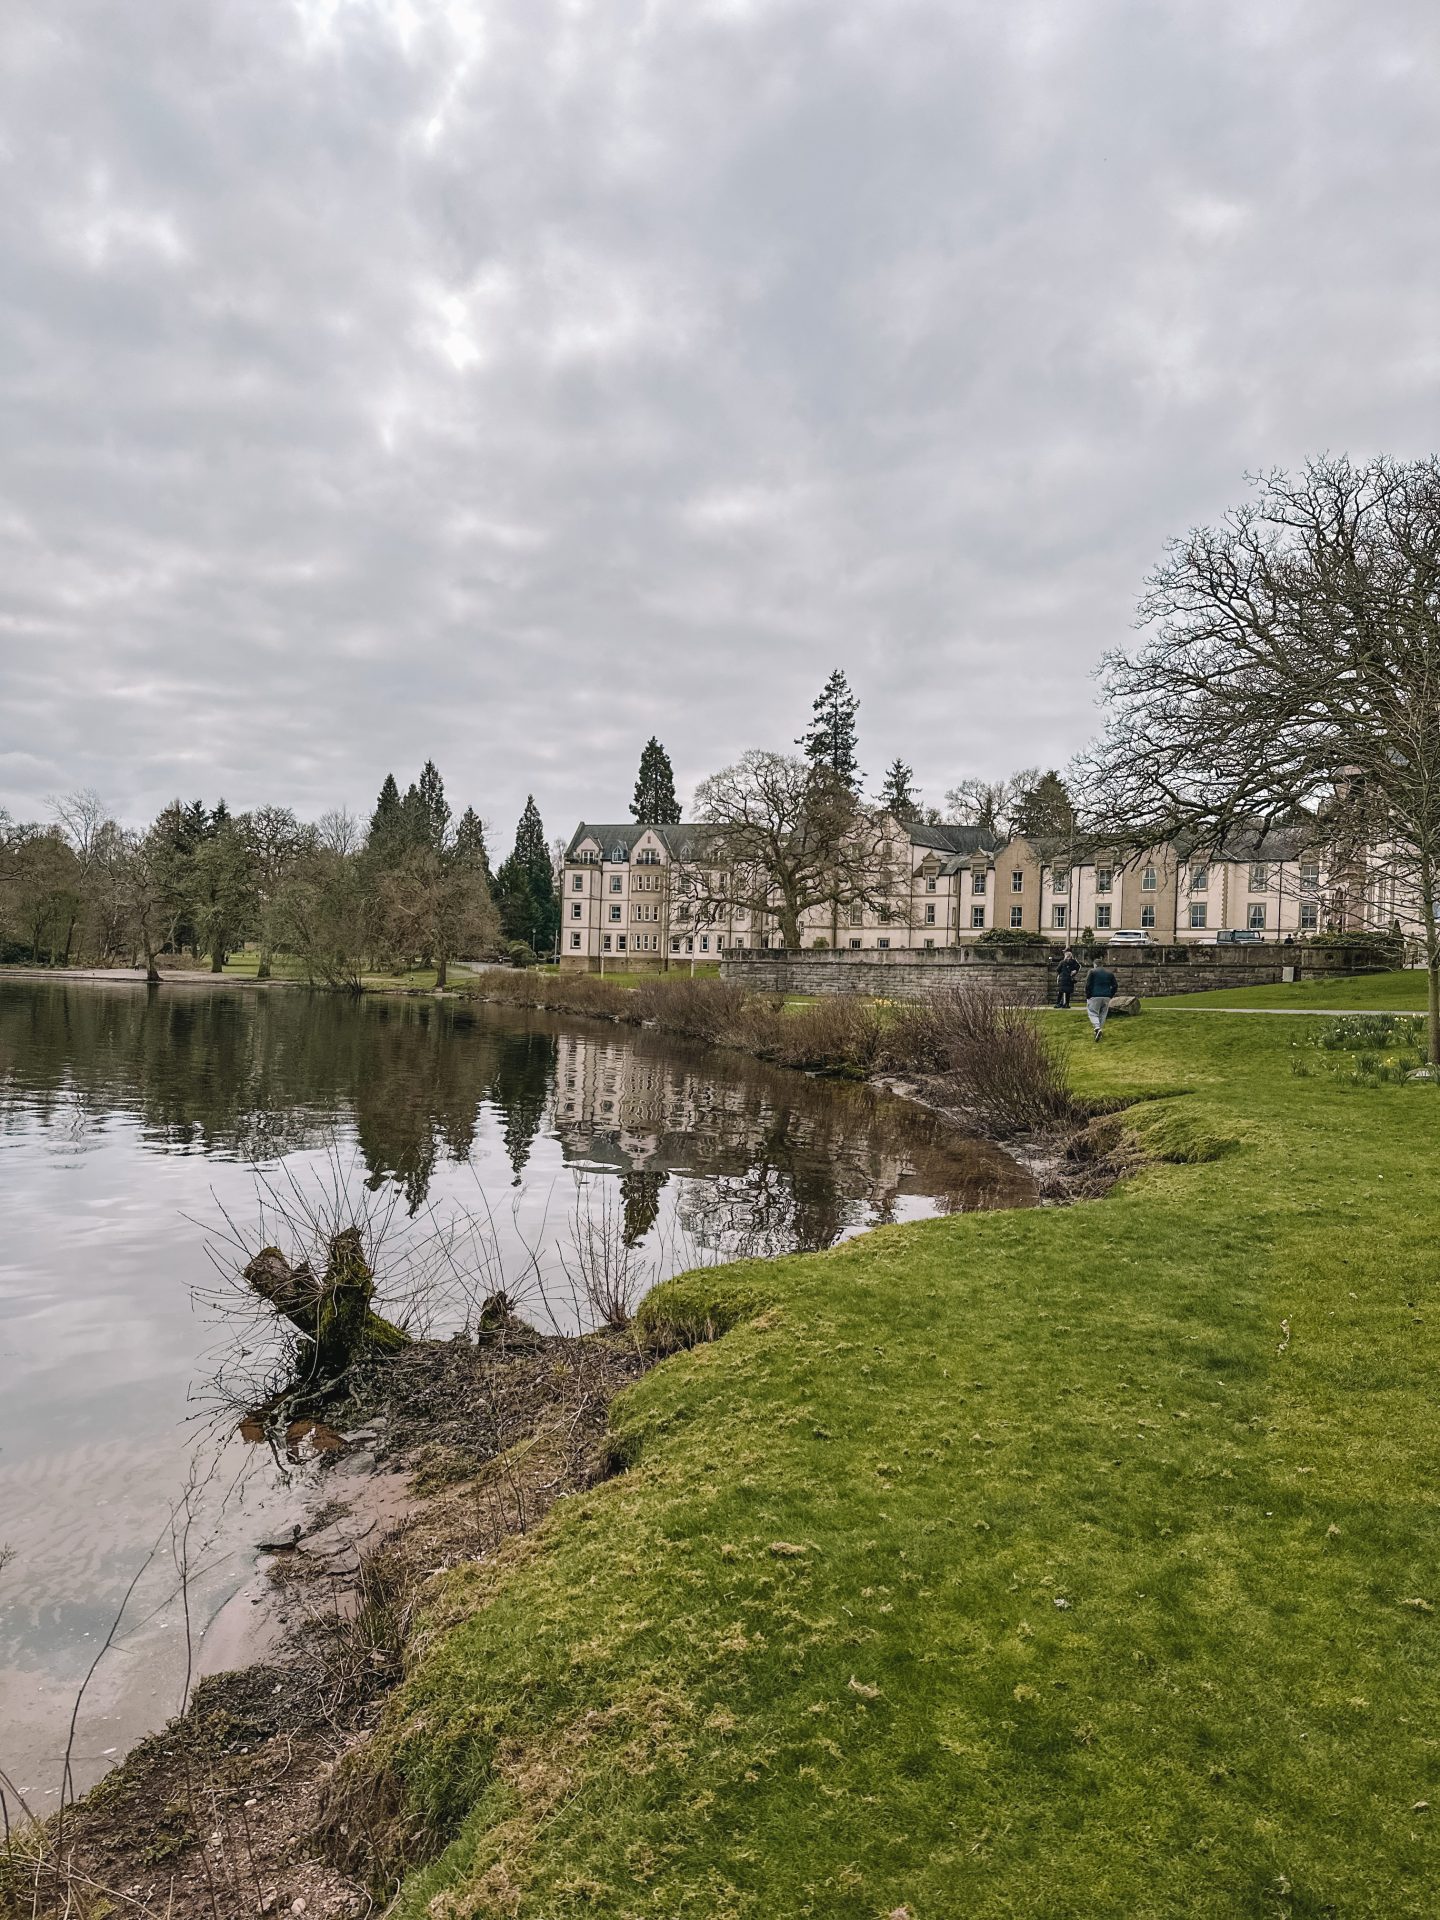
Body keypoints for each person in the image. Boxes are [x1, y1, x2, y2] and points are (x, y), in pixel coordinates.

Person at [1084, 959, 1118, 1040]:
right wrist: (1111, 995)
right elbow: (1115, 985)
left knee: (1092, 1012)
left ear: (1095, 965)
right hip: (1106, 996)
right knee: (1103, 1014)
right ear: (1102, 965)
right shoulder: (1109, 973)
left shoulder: (1092, 971)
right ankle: (1099, 1031)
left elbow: (1088, 984)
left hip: (1094, 995)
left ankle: (1097, 1028)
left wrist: (1088, 995)